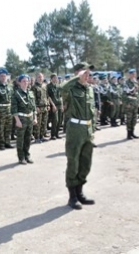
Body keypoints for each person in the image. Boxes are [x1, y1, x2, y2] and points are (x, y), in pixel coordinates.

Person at [61, 63, 95, 210]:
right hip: (75, 129)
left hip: (87, 129)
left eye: (89, 73)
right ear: (78, 73)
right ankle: (72, 196)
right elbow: (61, 88)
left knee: (85, 163)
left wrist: (92, 130)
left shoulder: (89, 89)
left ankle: (80, 192)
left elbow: (92, 110)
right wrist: (77, 77)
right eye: (85, 73)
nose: (88, 76)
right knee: (73, 162)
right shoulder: (71, 89)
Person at [11, 74, 37, 164]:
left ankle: (27, 155)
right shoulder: (16, 94)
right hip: (21, 119)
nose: (25, 83)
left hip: (30, 118)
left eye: (27, 81)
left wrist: (35, 118)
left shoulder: (30, 93)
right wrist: (17, 120)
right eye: (23, 81)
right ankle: (21, 157)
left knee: (28, 139)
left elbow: (34, 107)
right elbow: (14, 109)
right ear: (19, 82)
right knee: (20, 139)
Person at [0, 68, 14, 150]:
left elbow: (12, 97)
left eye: (4, 76)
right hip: (1, 109)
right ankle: (1, 144)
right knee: (1, 127)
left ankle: (7, 142)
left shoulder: (9, 86)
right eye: (1, 76)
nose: (3, 78)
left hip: (9, 108)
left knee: (8, 127)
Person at [31, 72, 49, 143]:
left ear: (43, 77)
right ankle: (37, 137)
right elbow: (33, 98)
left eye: (41, 77)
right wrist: (36, 107)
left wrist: (48, 105)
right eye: (38, 77)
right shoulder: (34, 87)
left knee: (43, 123)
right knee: (38, 123)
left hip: (45, 106)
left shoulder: (45, 86)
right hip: (38, 107)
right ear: (36, 78)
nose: (40, 78)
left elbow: (47, 96)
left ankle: (42, 136)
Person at [123, 69, 139, 140]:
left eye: (135, 74)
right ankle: (128, 134)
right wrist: (127, 103)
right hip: (129, 104)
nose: (134, 75)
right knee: (129, 119)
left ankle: (132, 133)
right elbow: (124, 95)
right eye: (132, 74)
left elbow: (137, 94)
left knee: (134, 119)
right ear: (129, 75)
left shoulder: (136, 82)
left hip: (135, 104)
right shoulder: (126, 83)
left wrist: (138, 102)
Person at [48, 73, 63, 140]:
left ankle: (57, 134)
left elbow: (60, 96)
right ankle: (53, 135)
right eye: (54, 78)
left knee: (59, 120)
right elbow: (48, 97)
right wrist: (53, 105)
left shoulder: (58, 86)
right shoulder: (49, 86)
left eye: (56, 77)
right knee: (55, 120)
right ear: (51, 79)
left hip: (59, 104)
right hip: (54, 105)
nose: (56, 79)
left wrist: (62, 105)